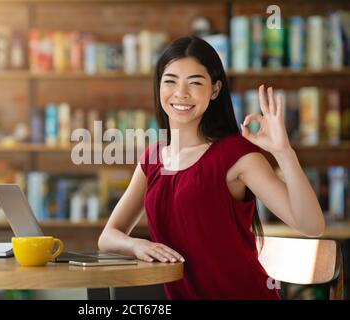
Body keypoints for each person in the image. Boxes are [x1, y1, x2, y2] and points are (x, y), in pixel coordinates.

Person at [97, 36, 325, 299]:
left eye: (194, 82)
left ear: (215, 90)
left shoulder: (236, 155)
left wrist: (284, 153)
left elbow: (312, 226)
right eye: (170, 81)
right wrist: (136, 246)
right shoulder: (152, 159)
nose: (181, 93)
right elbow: (108, 237)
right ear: (159, 85)